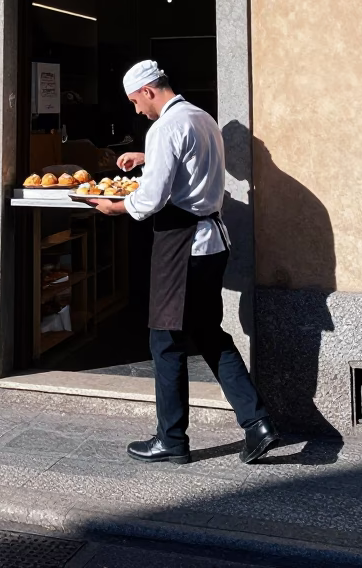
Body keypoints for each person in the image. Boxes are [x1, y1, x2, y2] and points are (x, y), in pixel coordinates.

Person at [87, 59, 278, 466]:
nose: (137, 110)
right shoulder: (202, 118)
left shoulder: (165, 127)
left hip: (183, 244)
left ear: (149, 91)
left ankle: (171, 439)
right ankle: (257, 423)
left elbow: (151, 200)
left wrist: (114, 207)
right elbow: (192, 164)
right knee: (209, 334)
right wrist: (147, 156)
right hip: (213, 242)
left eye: (135, 101)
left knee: (165, 340)